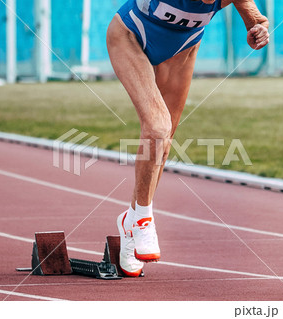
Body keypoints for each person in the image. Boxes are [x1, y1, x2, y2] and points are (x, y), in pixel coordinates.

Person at [106, 0, 269, 277]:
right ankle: (144, 219)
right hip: (130, 36)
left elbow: (258, 21)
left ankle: (130, 223)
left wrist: (259, 31)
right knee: (156, 127)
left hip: (181, 51)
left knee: (164, 140)